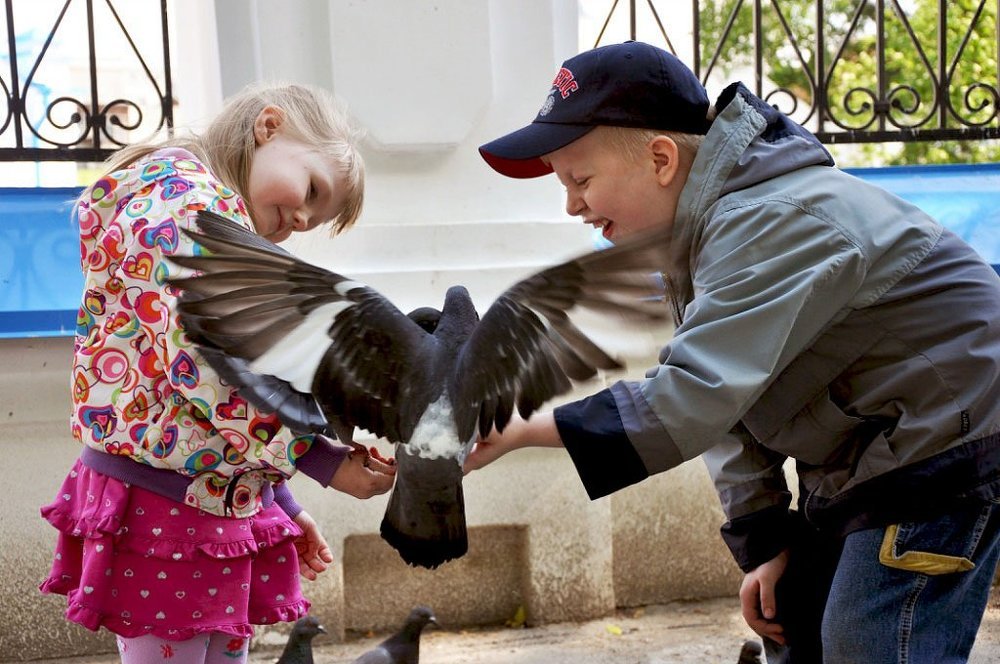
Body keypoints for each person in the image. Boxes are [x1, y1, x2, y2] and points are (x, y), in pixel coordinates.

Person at [469, 41, 1000, 663]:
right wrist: (767, 536)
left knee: (869, 644)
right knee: (795, 619)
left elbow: (692, 398)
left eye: (580, 180)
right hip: (868, 451)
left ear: (661, 159)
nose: (572, 205)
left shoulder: (768, 220)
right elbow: (726, 399)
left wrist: (521, 427)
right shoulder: (699, 241)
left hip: (941, 447)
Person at [39, 82, 395, 664]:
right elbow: (208, 366)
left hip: (194, 497)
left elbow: (211, 386)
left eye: (312, 220)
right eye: (311, 189)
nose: (301, 217)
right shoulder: (186, 211)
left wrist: (279, 500)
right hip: (165, 507)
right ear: (269, 126)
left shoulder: (199, 213)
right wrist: (316, 457)